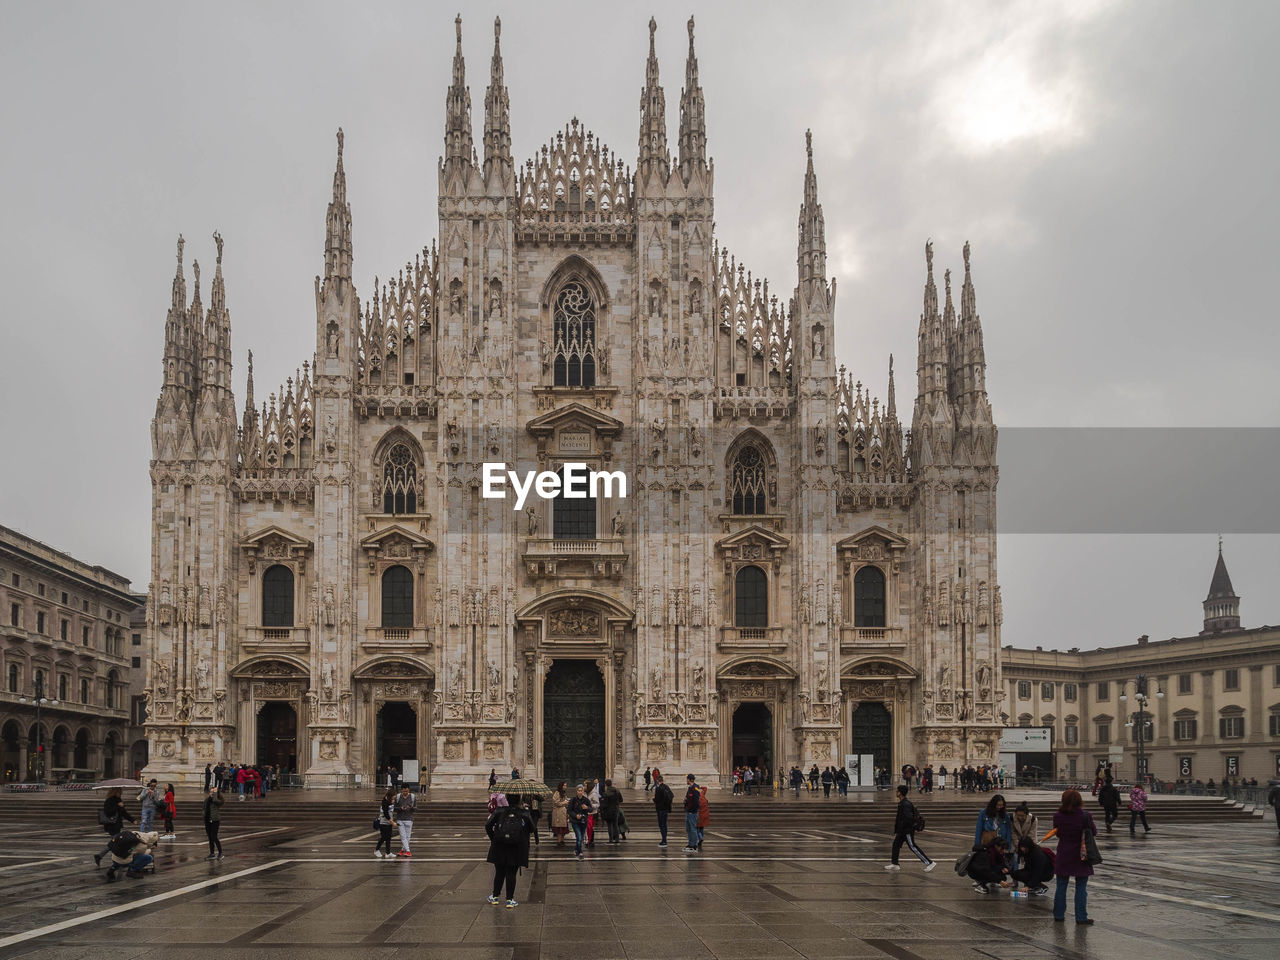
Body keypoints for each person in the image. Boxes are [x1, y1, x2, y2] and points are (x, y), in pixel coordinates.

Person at [1052, 788, 1097, 924]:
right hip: (1081, 854)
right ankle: (1081, 917)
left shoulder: (1058, 816)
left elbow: (1058, 833)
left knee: (1061, 885)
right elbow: (1093, 832)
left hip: (1064, 853)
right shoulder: (1085, 815)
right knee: (1081, 887)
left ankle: (1059, 915)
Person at [485, 794, 537, 908]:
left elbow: (488, 825)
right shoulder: (524, 813)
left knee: (499, 872)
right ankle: (509, 900)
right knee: (511, 873)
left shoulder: (499, 811)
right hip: (516, 847)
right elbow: (532, 828)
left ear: (507, 799)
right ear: (519, 800)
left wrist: (493, 838)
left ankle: (495, 897)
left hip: (499, 845)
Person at [885, 784, 936, 871]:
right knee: (895, 845)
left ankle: (929, 863)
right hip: (902, 830)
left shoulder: (905, 804)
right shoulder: (902, 803)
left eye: (897, 791)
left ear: (900, 793)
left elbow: (909, 818)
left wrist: (905, 828)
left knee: (913, 846)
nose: (896, 792)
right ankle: (895, 864)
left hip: (906, 830)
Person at [94, 787, 134, 867]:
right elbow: (108, 812)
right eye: (120, 792)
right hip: (111, 825)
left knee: (115, 842)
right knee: (116, 842)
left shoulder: (119, 800)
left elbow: (123, 813)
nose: (121, 793)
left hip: (117, 825)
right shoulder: (109, 801)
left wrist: (132, 820)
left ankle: (100, 856)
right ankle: (120, 858)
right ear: (115, 792)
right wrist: (117, 806)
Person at [567, 783, 591, 860]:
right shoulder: (573, 800)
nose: (580, 792)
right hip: (575, 821)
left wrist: (587, 808)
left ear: (583, 791)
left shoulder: (586, 800)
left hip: (584, 821)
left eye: (581, 790)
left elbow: (591, 809)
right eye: (579, 790)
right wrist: (575, 815)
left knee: (580, 837)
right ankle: (580, 853)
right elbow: (569, 810)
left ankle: (576, 849)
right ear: (576, 791)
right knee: (579, 837)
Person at [393, 784, 416, 857]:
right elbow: (394, 808)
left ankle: (403, 850)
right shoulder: (398, 797)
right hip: (400, 818)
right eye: (403, 791)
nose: (405, 792)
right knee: (403, 836)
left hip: (409, 819)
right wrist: (400, 808)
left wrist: (411, 807)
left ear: (409, 790)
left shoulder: (412, 797)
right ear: (401, 790)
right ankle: (408, 851)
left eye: (406, 791)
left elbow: (416, 809)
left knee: (407, 836)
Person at [652, 770, 673, 847]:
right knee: (664, 824)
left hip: (660, 809)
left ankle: (664, 841)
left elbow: (657, 799)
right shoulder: (666, 787)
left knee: (661, 825)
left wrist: (654, 799)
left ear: (657, 781)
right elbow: (671, 795)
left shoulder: (658, 788)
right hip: (666, 809)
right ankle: (664, 839)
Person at [202, 787, 224, 860]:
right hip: (207, 820)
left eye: (213, 792)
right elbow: (204, 808)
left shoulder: (218, 800)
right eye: (211, 792)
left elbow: (215, 800)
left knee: (214, 836)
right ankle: (212, 853)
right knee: (210, 837)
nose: (211, 793)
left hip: (215, 820)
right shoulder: (207, 800)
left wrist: (215, 794)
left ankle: (220, 852)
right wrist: (204, 815)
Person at [374, 788, 397, 858]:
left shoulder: (391, 801)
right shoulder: (385, 802)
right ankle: (376, 849)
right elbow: (386, 814)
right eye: (394, 796)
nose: (394, 797)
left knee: (389, 837)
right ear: (390, 796)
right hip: (383, 822)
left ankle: (388, 852)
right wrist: (392, 822)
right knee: (384, 837)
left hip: (389, 822)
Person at [601, 779, 623, 843]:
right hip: (615, 810)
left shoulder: (606, 793)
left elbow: (605, 804)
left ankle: (611, 839)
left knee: (609, 825)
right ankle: (617, 839)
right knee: (615, 825)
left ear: (606, 785)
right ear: (611, 784)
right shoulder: (617, 791)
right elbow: (621, 800)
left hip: (608, 810)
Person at [682, 775, 701, 853]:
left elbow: (696, 802)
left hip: (692, 812)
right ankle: (690, 844)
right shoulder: (690, 788)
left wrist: (692, 810)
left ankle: (694, 846)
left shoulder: (695, 788)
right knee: (688, 829)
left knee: (693, 829)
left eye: (687, 779)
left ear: (689, 780)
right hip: (688, 811)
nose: (686, 780)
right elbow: (688, 798)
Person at [696, 783, 710, 850]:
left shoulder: (696, 799)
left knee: (697, 828)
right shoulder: (702, 794)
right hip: (705, 814)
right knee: (702, 828)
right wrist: (699, 786)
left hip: (699, 815)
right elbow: (705, 788)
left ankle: (700, 838)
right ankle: (700, 839)